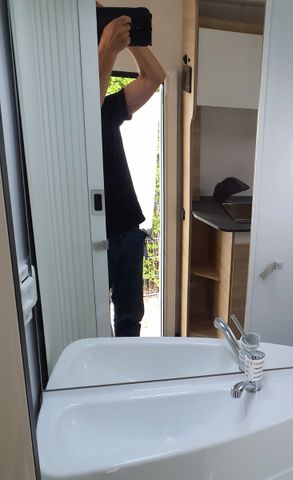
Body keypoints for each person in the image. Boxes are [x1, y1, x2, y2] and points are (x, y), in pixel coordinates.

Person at [97, 8, 166, 336]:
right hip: (92, 239)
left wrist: (132, 38)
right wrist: (107, 48)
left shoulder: (108, 108)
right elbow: (85, 112)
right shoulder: (72, 111)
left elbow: (155, 77)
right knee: (91, 322)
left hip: (127, 230)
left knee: (129, 320)